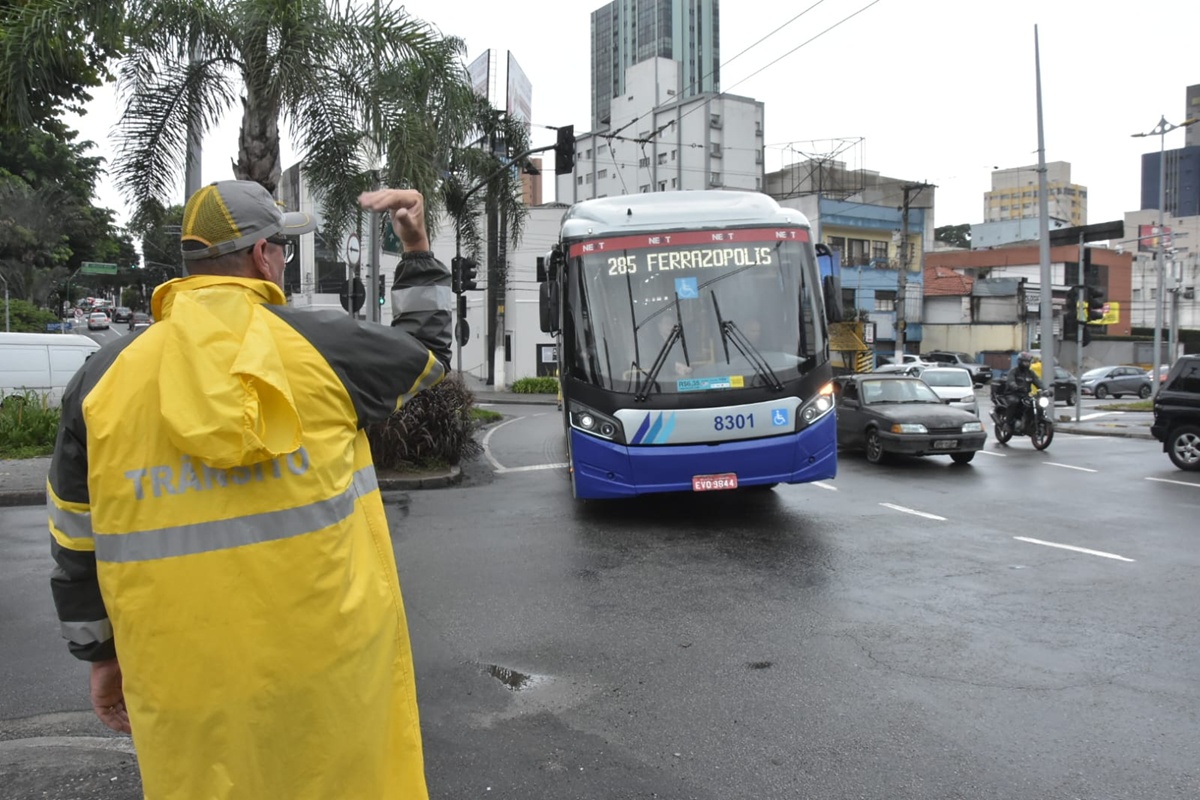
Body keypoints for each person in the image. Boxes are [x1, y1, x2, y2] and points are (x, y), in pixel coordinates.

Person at [47, 180, 450, 799]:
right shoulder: (327, 350)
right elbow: (425, 350)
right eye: (283, 251)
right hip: (334, 676)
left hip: (183, 683)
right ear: (265, 258)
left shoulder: (99, 380)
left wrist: (101, 655)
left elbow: (75, 537)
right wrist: (416, 248)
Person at [1001, 350, 1044, 429]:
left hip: (1025, 395)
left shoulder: (1030, 373)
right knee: (1015, 402)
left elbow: (1038, 381)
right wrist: (1015, 387)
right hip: (1012, 394)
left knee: (1036, 403)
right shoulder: (1014, 371)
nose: (1026, 364)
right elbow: (1010, 381)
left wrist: (1045, 389)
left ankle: (1032, 421)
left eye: (1028, 362)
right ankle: (1007, 423)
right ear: (1020, 362)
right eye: (1024, 362)